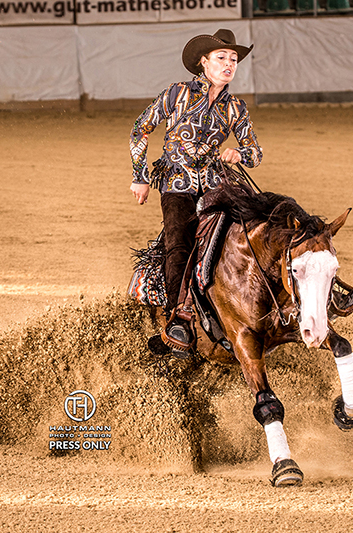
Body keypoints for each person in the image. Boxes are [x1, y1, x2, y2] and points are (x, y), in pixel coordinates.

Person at [129, 29, 262, 357]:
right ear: (203, 63)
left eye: (233, 59)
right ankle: (179, 318)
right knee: (179, 241)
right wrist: (140, 177)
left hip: (217, 185)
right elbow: (140, 128)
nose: (229, 64)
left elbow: (255, 152)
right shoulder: (176, 94)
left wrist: (239, 154)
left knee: (251, 232)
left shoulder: (235, 108)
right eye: (221, 58)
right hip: (176, 184)